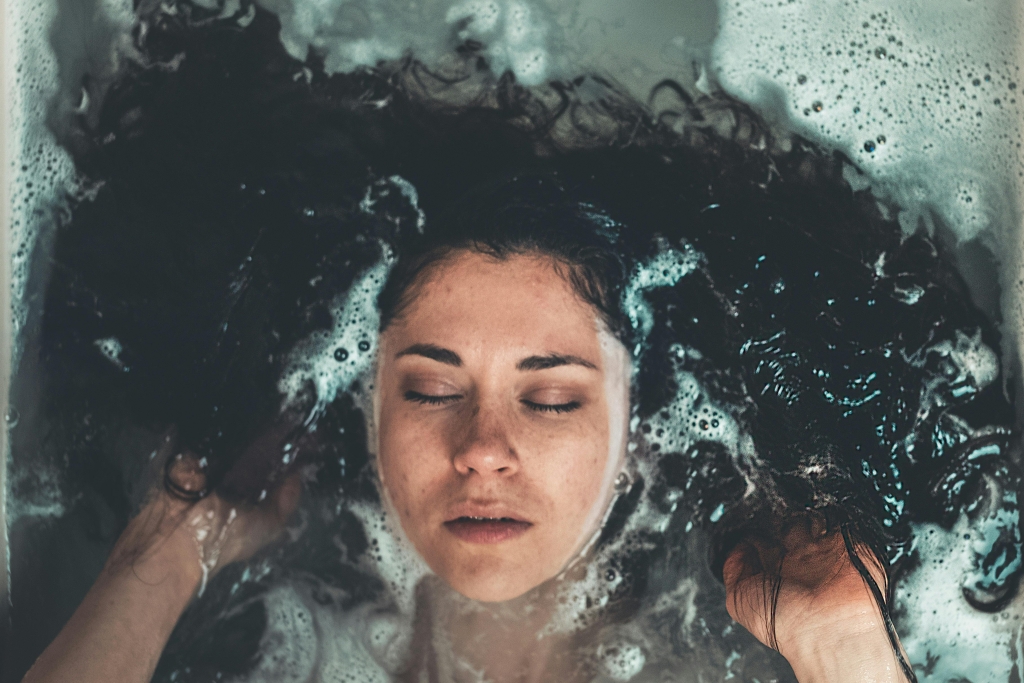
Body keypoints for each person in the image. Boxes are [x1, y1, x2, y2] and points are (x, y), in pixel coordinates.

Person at [22, 172, 915, 683]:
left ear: (639, 433)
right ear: (366, 412)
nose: (483, 447)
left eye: (553, 397)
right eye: (430, 390)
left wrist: (840, 643)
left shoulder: (728, 656)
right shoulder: (258, 638)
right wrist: (168, 548)